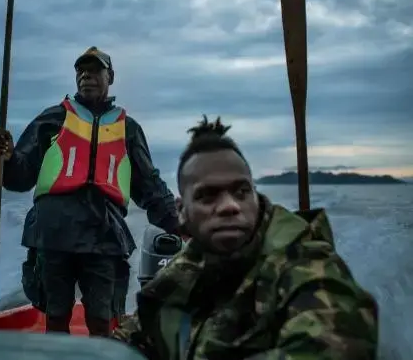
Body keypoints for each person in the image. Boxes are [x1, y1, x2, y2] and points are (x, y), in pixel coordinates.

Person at [111, 116, 379, 359]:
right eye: (208, 195)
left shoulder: (304, 264)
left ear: (256, 195)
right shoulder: (186, 272)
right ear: (182, 212)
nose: (230, 205)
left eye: (241, 191)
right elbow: (136, 335)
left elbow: (335, 345)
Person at [0, 46, 182, 337]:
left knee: (102, 320)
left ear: (110, 77)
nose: (86, 76)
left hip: (103, 235)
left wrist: (182, 224)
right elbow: (19, 176)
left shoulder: (128, 129)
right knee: (55, 317)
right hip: (53, 232)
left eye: (94, 71)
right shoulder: (52, 118)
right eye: (81, 71)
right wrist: (7, 156)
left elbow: (150, 186)